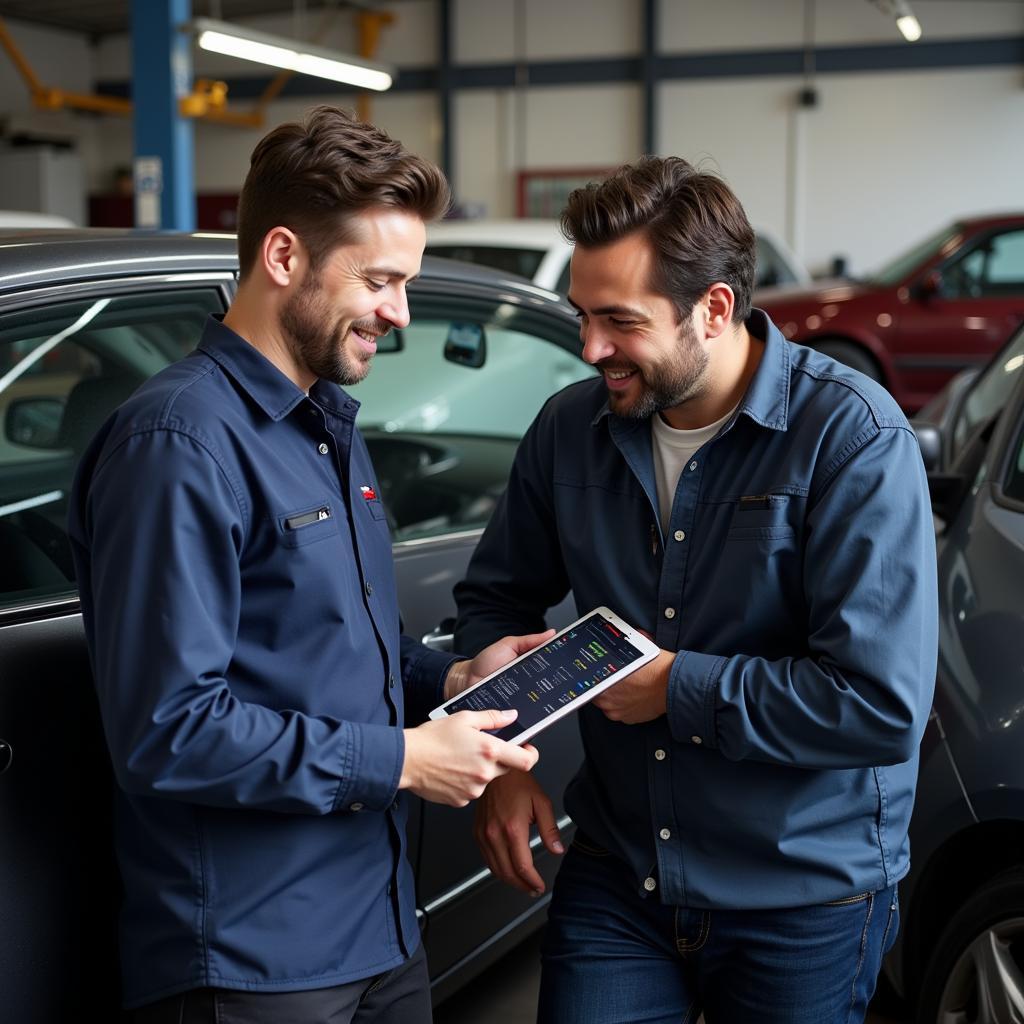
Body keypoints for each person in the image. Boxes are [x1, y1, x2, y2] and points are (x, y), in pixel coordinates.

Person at [67, 106, 552, 1023]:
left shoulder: (323, 421)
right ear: (283, 256)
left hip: (375, 925)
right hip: (255, 962)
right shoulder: (178, 445)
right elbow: (170, 730)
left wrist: (449, 675)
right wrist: (404, 762)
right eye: (379, 279)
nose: (399, 313)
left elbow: (323, 647)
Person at [456, 156, 938, 1024]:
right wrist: (499, 755)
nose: (591, 348)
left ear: (714, 309)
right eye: (582, 316)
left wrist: (676, 689)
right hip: (619, 871)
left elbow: (877, 703)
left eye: (619, 321)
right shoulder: (569, 430)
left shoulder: (853, 441)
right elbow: (493, 601)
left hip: (800, 894)